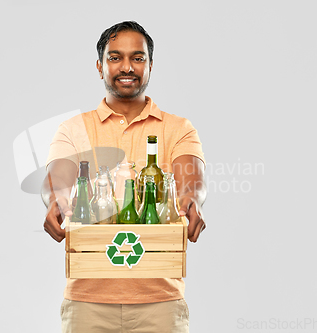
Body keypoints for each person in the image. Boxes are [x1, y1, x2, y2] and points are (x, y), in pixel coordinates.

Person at [42, 21, 206, 333]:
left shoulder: (178, 129)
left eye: (138, 58)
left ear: (151, 65)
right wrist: (56, 203)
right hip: (88, 301)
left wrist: (191, 203)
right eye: (115, 57)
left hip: (160, 301)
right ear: (99, 66)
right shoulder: (74, 129)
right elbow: (58, 179)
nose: (127, 67)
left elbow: (190, 180)